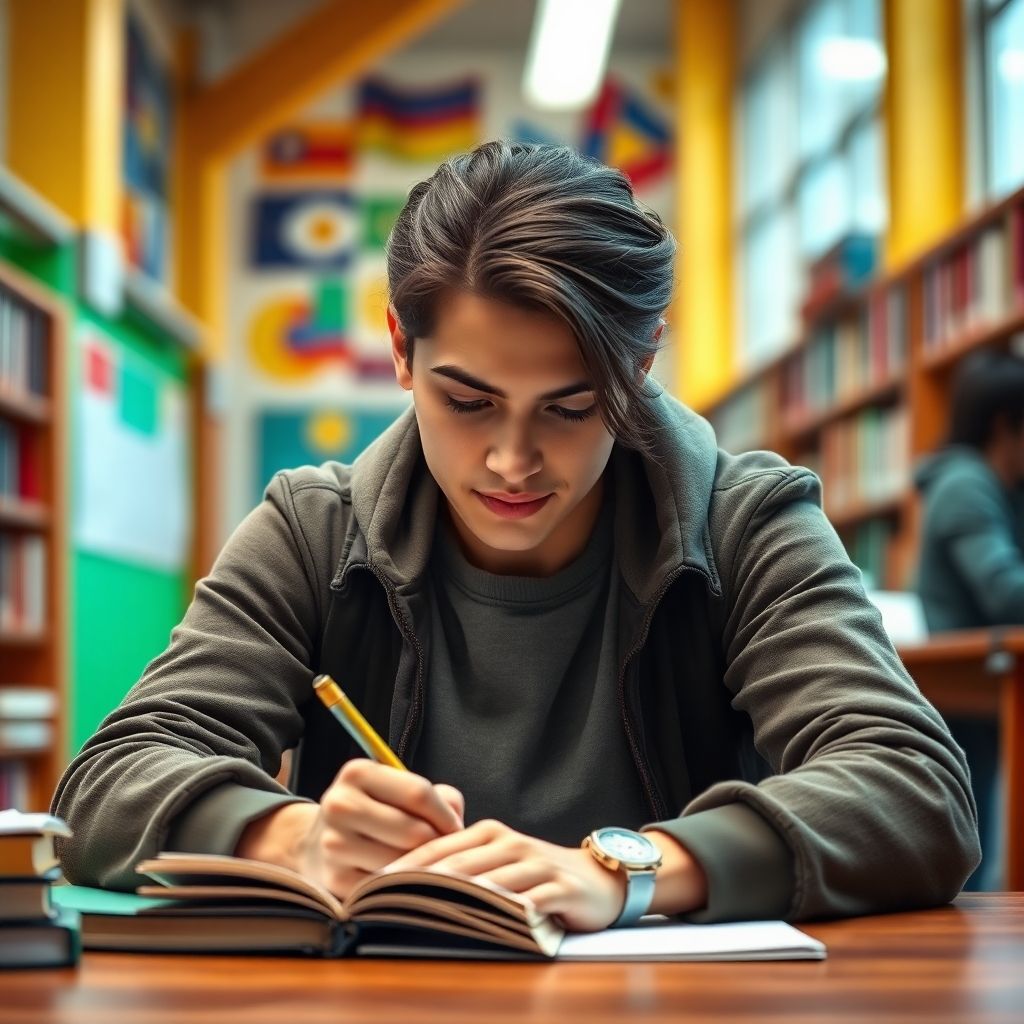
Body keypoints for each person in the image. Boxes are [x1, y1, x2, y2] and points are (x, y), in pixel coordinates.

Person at [53, 142, 978, 930]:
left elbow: (915, 789)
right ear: (399, 351)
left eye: (572, 408)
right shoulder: (312, 530)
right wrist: (296, 839)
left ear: (642, 361)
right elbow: (107, 785)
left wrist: (631, 870)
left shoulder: (744, 521)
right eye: (467, 402)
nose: (512, 462)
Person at [913, 349, 1024, 891]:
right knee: (970, 839)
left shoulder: (994, 489)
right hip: (970, 679)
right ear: (1007, 425)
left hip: (989, 674)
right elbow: (1006, 594)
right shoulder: (966, 486)